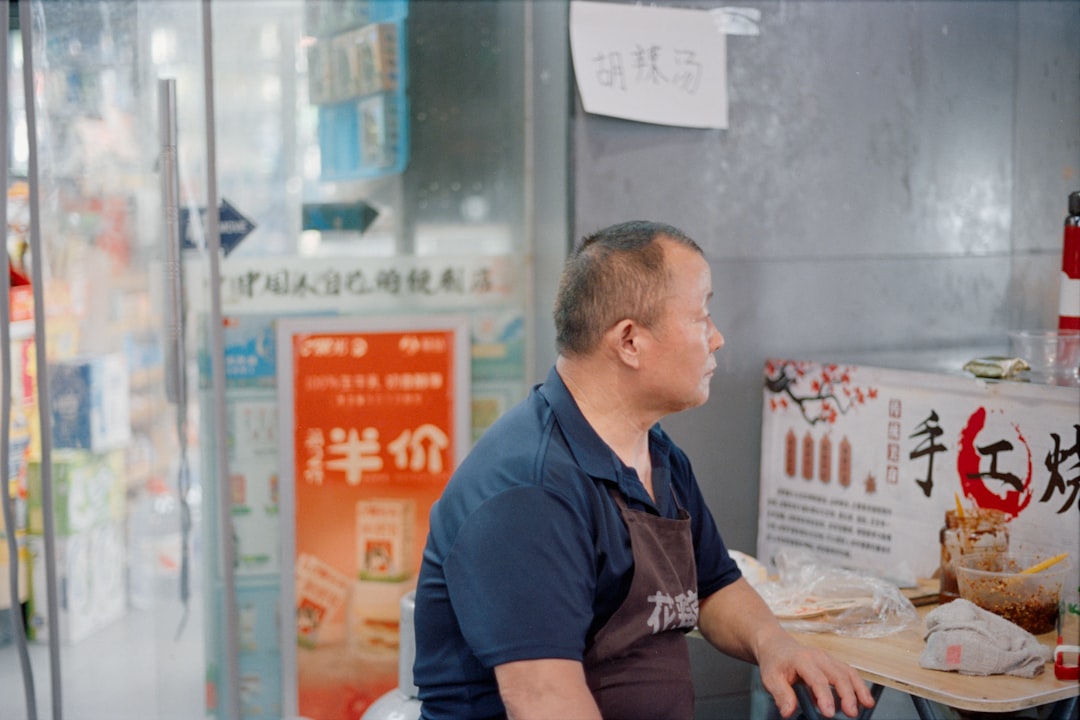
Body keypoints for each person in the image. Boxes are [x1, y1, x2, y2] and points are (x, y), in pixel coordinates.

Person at [412, 220, 875, 720]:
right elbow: (544, 699)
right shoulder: (530, 490)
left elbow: (714, 584)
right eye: (701, 317)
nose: (717, 338)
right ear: (629, 341)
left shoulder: (656, 453)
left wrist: (774, 644)